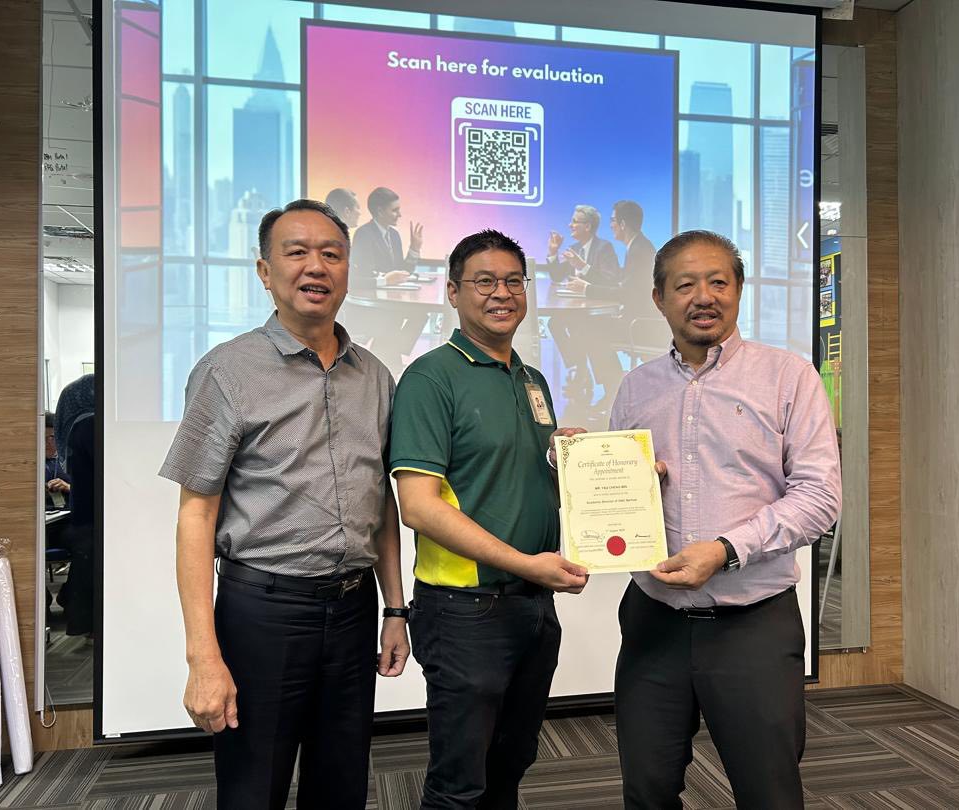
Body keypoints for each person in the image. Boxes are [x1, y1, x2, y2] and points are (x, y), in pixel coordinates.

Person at [159, 199, 410, 810]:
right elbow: (196, 515)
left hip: (353, 611)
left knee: (341, 786)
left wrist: (395, 608)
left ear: (347, 270)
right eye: (296, 252)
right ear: (265, 272)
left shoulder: (375, 377)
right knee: (254, 788)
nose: (316, 266)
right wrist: (203, 655)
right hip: (263, 614)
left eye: (331, 254)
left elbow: (382, 503)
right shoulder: (226, 371)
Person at [609, 230, 841, 809]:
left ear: (739, 290)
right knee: (646, 791)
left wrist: (725, 549)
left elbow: (819, 497)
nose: (704, 297)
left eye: (718, 282)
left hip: (752, 624)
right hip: (654, 621)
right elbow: (618, 496)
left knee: (769, 794)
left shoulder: (789, 377)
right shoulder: (636, 388)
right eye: (685, 284)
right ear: (659, 298)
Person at [389, 229, 588, 809]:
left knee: (511, 762)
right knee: (460, 783)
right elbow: (418, 506)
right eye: (484, 282)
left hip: (533, 604)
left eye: (513, 281)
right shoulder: (431, 377)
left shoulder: (531, 379)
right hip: (465, 612)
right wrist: (525, 563)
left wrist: (589, 462)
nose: (502, 293)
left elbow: (515, 477)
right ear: (453, 292)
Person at [562, 200, 664, 407]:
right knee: (586, 327)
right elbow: (626, 287)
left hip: (640, 325)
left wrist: (587, 289)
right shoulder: (638, 246)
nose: (610, 225)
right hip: (635, 318)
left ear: (623, 224)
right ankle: (612, 388)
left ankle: (614, 390)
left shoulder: (639, 250)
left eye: (613, 220)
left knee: (590, 331)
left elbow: (627, 294)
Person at [545, 205, 621, 399]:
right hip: (579, 310)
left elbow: (610, 280)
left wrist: (583, 266)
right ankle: (578, 367)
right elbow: (557, 276)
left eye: (575, 222)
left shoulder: (604, 248)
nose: (570, 225)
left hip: (600, 313)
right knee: (555, 322)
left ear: (587, 226)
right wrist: (553, 252)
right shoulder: (575, 248)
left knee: (581, 330)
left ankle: (585, 376)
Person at [53, 375, 96, 636]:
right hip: (92, 519)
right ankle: (81, 618)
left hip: (82, 518)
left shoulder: (76, 428)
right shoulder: (90, 426)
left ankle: (70, 599)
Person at [350, 185, 424, 290]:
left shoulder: (394, 235)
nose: (400, 215)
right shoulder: (363, 234)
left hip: (393, 295)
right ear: (380, 211)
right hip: (374, 296)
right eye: (395, 210)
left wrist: (414, 248)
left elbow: (402, 272)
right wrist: (385, 280)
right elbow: (365, 274)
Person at [44, 412, 70, 510]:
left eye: (52, 437)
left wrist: (67, 487)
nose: (47, 443)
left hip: (70, 513)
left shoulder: (70, 459)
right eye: (42, 437)